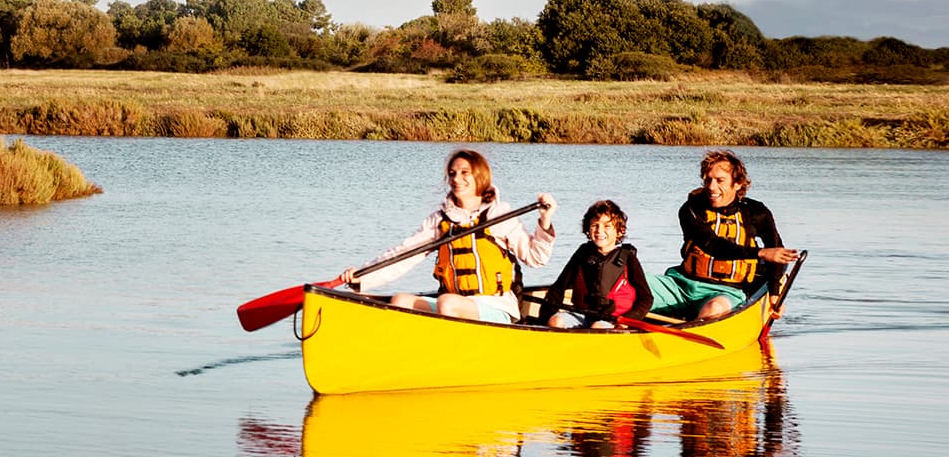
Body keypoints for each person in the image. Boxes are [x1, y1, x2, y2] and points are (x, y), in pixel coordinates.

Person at [338, 149, 557, 322]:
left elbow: (536, 258)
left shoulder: (499, 215)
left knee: (447, 304)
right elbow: (403, 255)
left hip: (495, 307)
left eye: (464, 173)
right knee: (400, 301)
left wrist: (545, 220)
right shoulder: (440, 220)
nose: (456, 179)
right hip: (453, 304)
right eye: (452, 173)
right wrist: (363, 276)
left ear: (480, 176)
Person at [647, 150, 801, 321]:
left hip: (727, 291)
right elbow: (711, 244)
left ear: (738, 183)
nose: (712, 187)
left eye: (720, 180)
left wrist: (774, 294)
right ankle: (624, 329)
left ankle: (695, 332)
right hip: (681, 285)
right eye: (708, 180)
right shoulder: (691, 209)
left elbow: (777, 254)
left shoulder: (757, 212)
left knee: (714, 309)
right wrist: (760, 253)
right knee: (628, 283)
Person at [539, 200, 652, 328]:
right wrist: (543, 321)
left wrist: (627, 321)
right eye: (595, 225)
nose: (599, 230)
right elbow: (558, 288)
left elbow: (646, 298)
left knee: (597, 327)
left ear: (619, 231)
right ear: (588, 228)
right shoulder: (582, 254)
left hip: (614, 321)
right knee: (556, 321)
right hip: (582, 315)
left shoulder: (628, 258)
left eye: (607, 226)